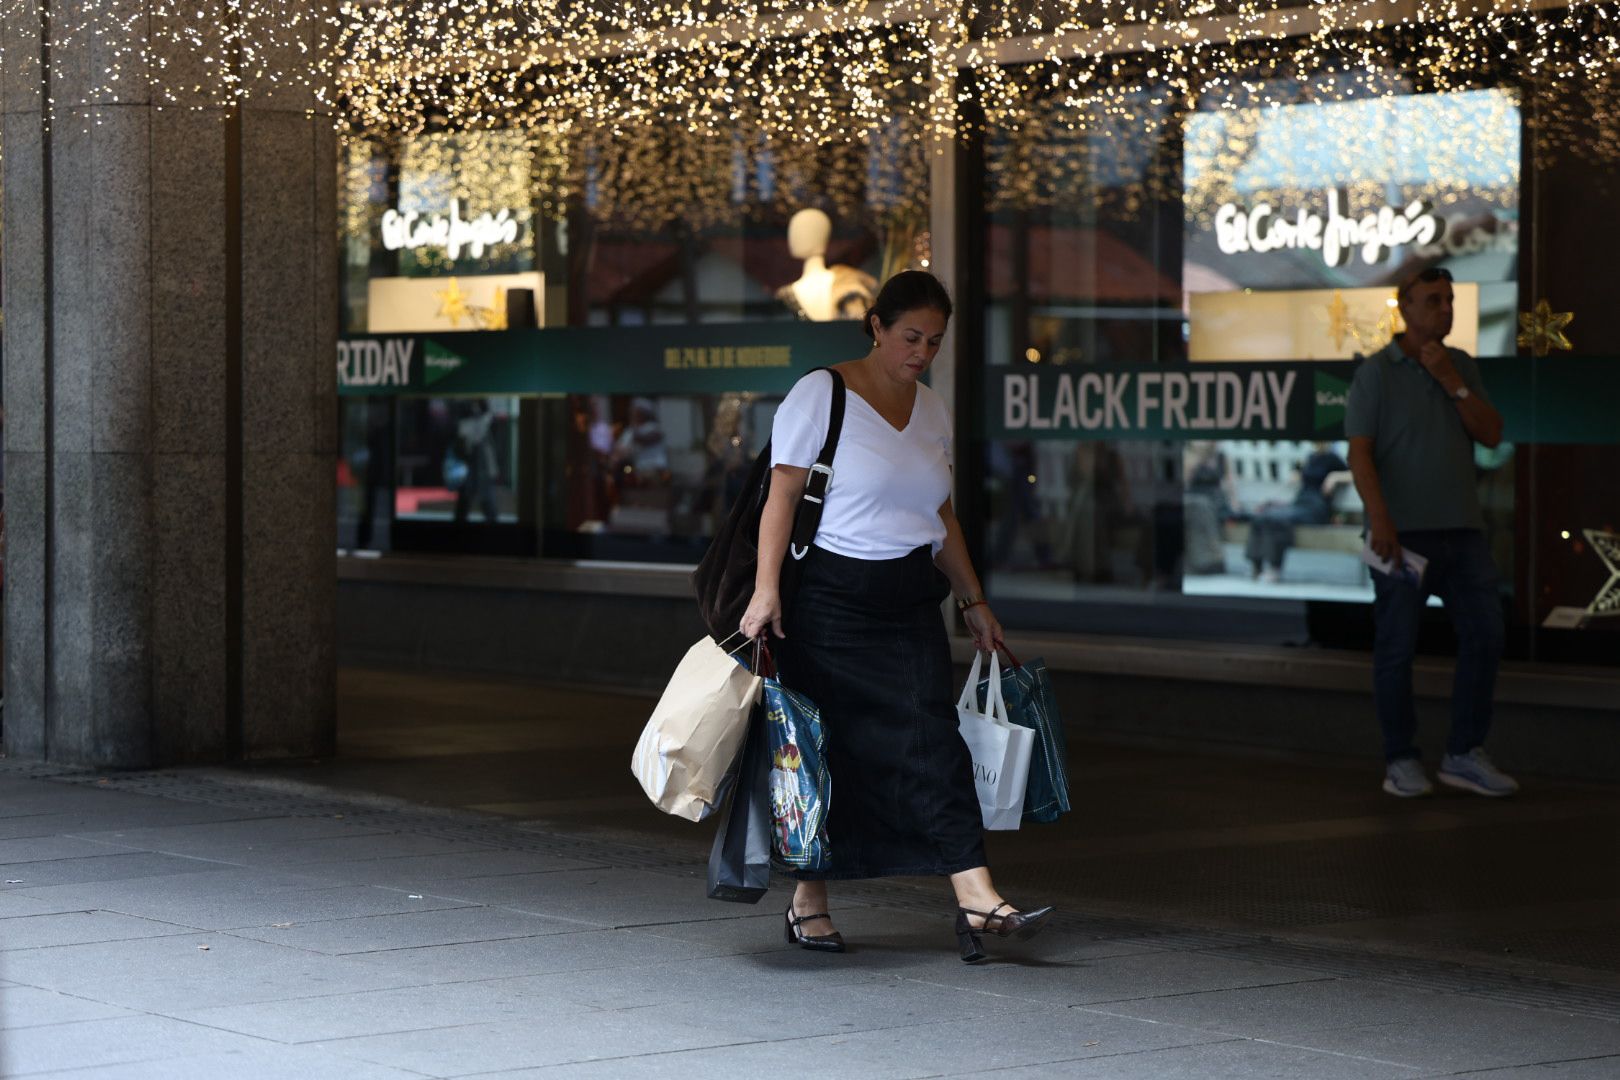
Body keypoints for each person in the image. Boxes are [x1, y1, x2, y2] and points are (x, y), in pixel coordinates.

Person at [739, 270, 1054, 961]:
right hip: (826, 602)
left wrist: (974, 601)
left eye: (934, 341)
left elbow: (940, 514)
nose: (922, 351)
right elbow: (780, 499)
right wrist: (767, 591)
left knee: (935, 745)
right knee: (830, 754)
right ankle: (809, 900)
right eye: (910, 336)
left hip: (909, 601)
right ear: (876, 326)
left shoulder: (933, 410)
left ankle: (975, 893)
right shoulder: (821, 394)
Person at [1345, 266, 1516, 799]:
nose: (1445, 309)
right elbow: (1360, 452)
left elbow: (1490, 433)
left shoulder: (1460, 365)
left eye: (1450, 300)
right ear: (1406, 308)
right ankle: (1401, 759)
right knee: (1397, 648)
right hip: (1405, 533)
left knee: (1486, 634)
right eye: (1433, 301)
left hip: (1462, 530)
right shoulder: (1377, 372)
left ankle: (1463, 753)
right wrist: (1380, 519)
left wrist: (1452, 381)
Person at [1244, 442, 1352, 583]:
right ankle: (1256, 565)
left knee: (1278, 519)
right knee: (1262, 517)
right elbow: (1296, 475)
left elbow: (1353, 473)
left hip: (1316, 508)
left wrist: (1335, 477)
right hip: (1300, 502)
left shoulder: (1332, 459)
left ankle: (1274, 567)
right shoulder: (1309, 458)